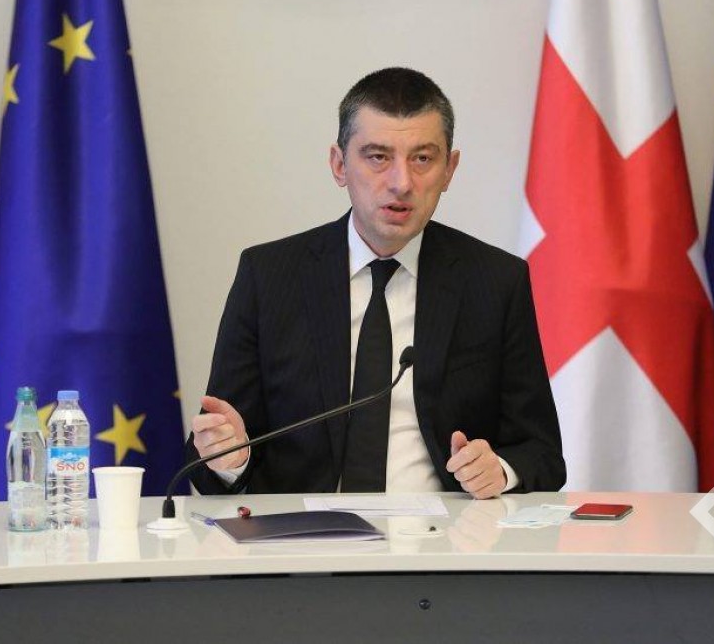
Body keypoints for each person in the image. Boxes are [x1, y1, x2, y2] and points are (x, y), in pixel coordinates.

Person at [186, 67, 565, 498]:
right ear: (339, 164)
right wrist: (229, 457)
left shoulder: (495, 281)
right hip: (304, 533)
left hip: (444, 533)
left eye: (422, 159)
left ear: (449, 169)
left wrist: (498, 470)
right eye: (378, 157)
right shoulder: (269, 276)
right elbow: (208, 458)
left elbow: (542, 454)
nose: (401, 183)